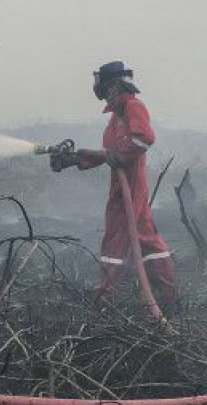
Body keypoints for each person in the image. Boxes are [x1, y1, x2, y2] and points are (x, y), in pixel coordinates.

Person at [53, 61, 179, 308]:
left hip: (131, 183)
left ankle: (117, 296)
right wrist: (74, 161)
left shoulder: (133, 106)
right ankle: (154, 296)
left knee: (128, 237)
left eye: (102, 83)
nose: (99, 89)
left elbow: (144, 138)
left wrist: (122, 156)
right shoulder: (116, 116)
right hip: (121, 183)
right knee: (132, 238)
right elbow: (108, 153)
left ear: (112, 85)